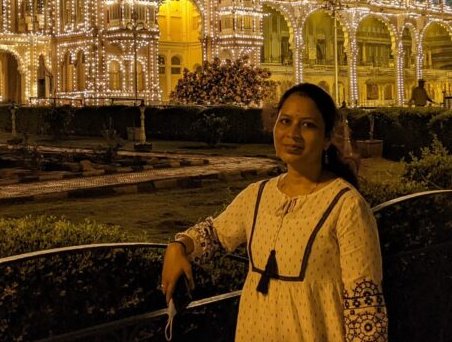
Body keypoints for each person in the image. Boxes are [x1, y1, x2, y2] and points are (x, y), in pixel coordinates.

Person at [161, 83, 387, 341]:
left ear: (326, 139)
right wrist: (179, 246)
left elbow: (365, 309)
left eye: (307, 125)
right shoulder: (257, 195)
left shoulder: (346, 206)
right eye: (285, 121)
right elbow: (214, 234)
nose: (292, 134)